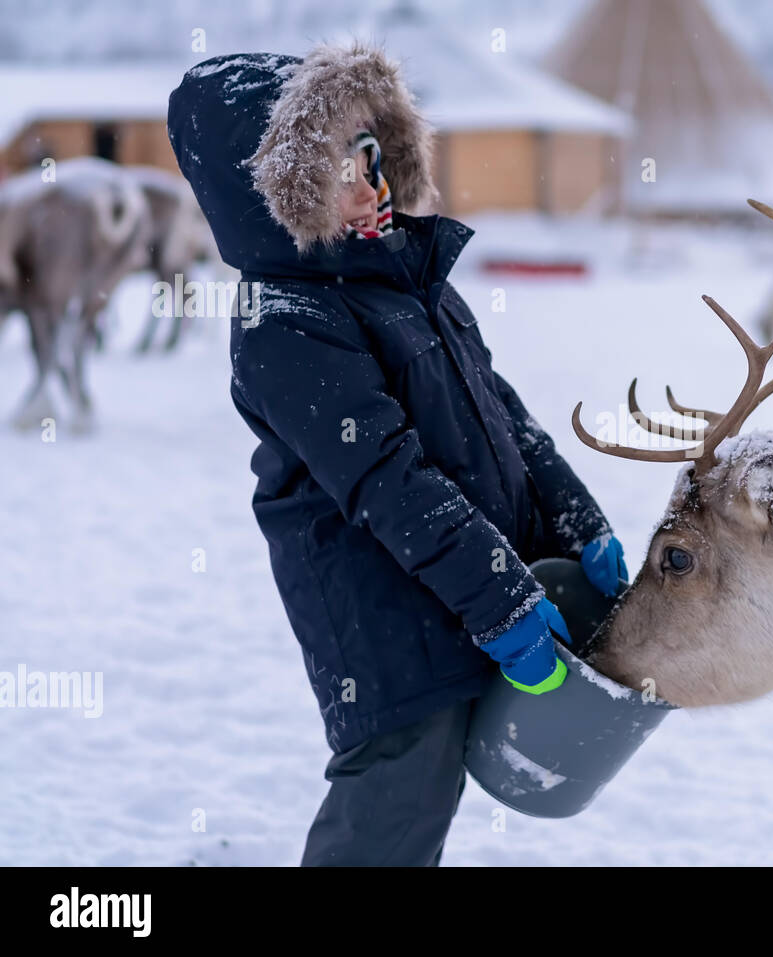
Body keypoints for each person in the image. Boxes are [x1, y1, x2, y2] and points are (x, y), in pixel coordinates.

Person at [167, 41, 627, 865]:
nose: (371, 184)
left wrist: (573, 519)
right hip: (378, 623)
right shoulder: (286, 321)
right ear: (277, 194)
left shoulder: (402, 280)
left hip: (457, 588)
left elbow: (502, 414)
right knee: (394, 804)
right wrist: (502, 603)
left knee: (424, 809)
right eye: (340, 168)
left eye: (372, 156)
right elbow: (391, 478)